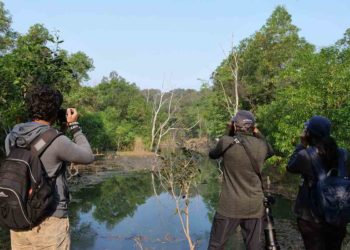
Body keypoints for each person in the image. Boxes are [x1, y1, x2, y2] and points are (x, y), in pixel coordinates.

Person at [5, 85, 94, 250]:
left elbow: (40, 150)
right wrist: (74, 127)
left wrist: (58, 129)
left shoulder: (12, 136)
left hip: (19, 217)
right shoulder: (57, 141)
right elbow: (88, 156)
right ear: (55, 111)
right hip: (50, 221)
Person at [208, 110, 274, 250]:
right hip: (254, 206)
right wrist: (257, 132)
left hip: (229, 206)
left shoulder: (226, 142)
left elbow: (213, 154)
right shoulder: (261, 146)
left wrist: (228, 131)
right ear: (252, 127)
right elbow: (270, 151)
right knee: (254, 247)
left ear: (234, 126)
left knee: (216, 246)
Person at [286, 115, 348, 250]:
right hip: (337, 214)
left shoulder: (305, 155)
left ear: (309, 133)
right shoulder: (343, 153)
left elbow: (290, 167)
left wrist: (301, 145)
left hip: (311, 217)